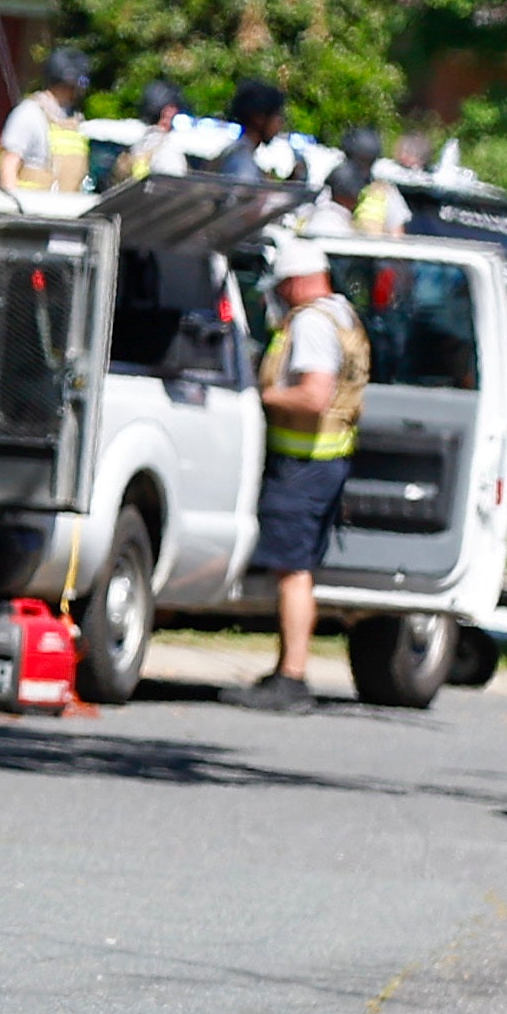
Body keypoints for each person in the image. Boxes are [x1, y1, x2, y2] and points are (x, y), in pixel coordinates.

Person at [236, 237, 369, 715]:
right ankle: (286, 670)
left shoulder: (312, 323)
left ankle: (292, 677)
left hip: (303, 466)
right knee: (299, 569)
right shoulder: (341, 315)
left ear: (295, 282)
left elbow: (314, 396)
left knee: (293, 573)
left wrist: (257, 396)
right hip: (326, 462)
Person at [0, 46, 92, 193]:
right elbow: (8, 165)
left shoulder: (72, 119)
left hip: (66, 211)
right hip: (31, 211)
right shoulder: (29, 114)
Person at [210, 80, 290, 183]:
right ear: (259, 118)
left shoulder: (235, 151)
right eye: (277, 115)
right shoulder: (242, 160)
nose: (281, 122)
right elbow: (242, 194)